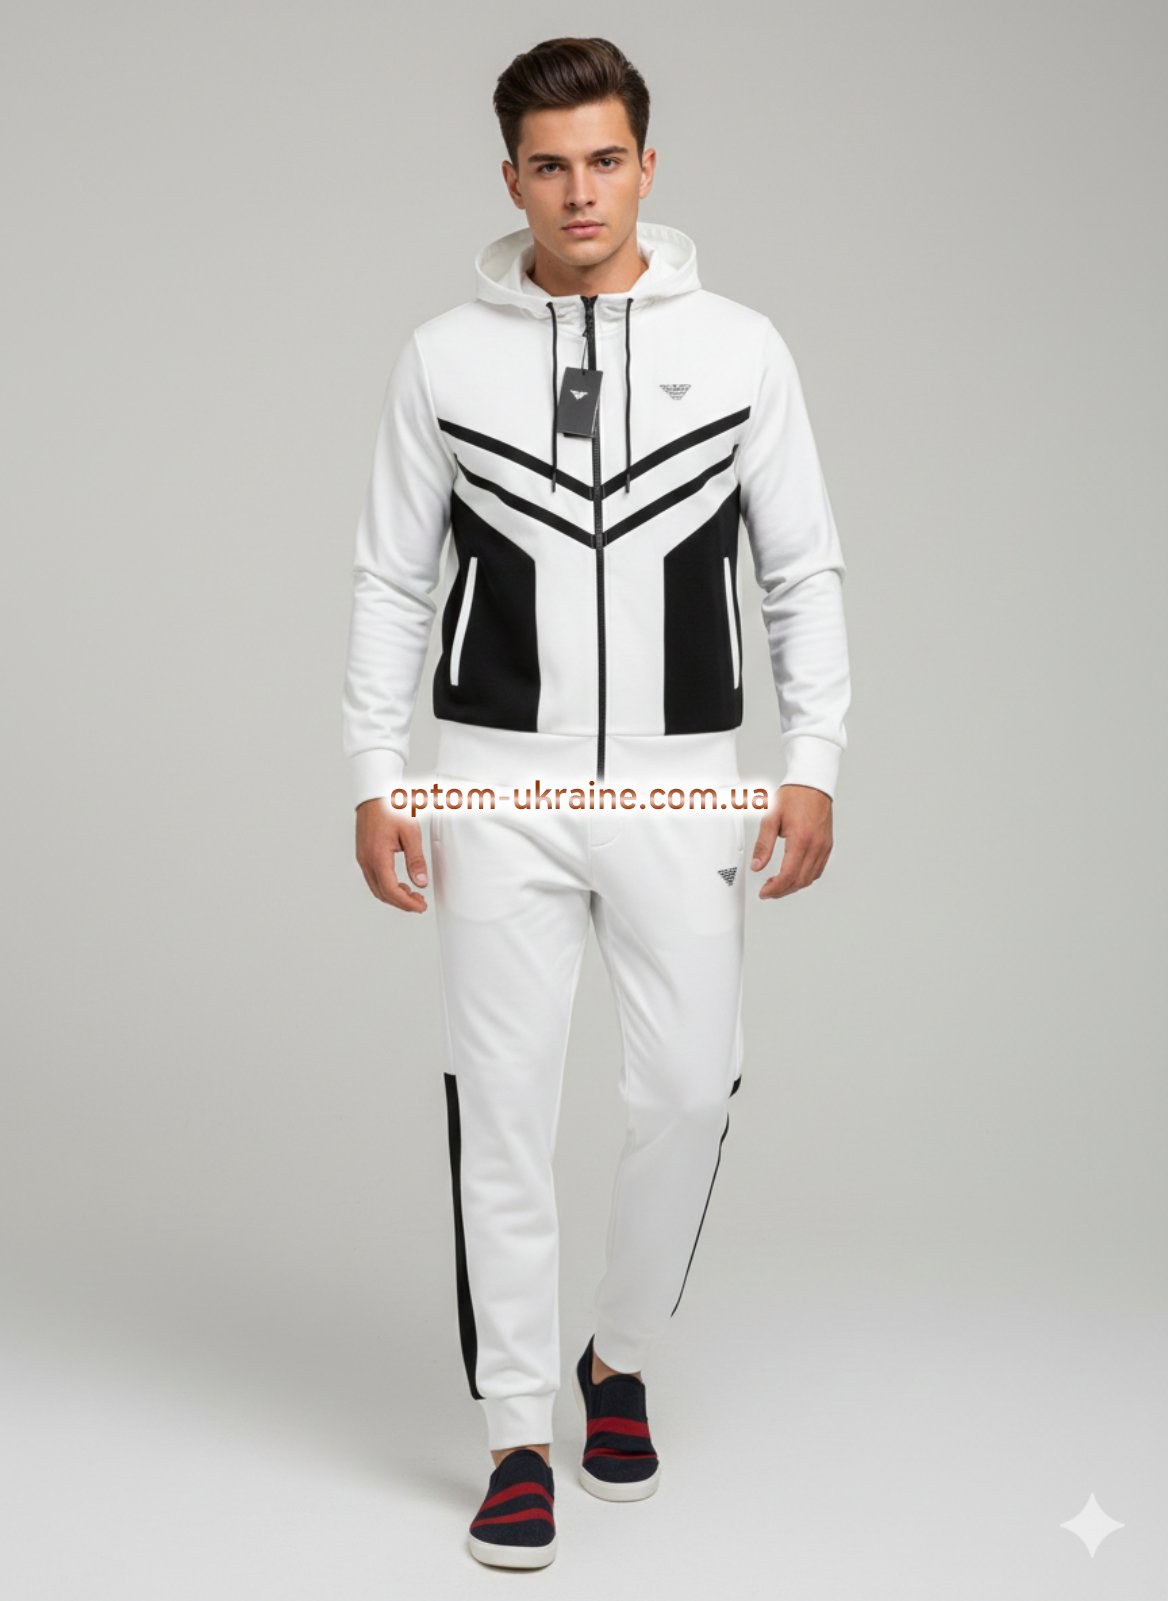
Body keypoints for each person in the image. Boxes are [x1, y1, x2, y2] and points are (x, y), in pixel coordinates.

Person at [341, 35, 851, 1569]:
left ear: (647, 166)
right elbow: (390, 578)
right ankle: (515, 1434)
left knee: (691, 1087)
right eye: (551, 165)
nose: (580, 191)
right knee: (500, 1104)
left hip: (684, 785)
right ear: (511, 178)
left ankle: (614, 1354)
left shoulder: (743, 350)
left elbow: (801, 567)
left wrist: (814, 758)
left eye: (606, 160)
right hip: (494, 782)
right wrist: (375, 775)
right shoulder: (442, 358)